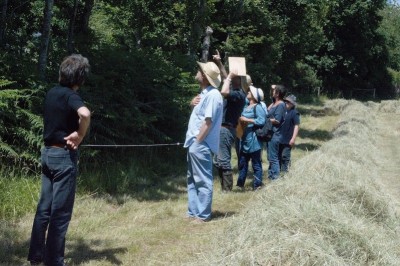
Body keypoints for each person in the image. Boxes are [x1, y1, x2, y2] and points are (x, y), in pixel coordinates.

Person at [28, 54, 91, 266]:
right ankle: (53, 261)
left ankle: (36, 255)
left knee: (44, 208)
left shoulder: (52, 93)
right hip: (64, 157)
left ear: (61, 73)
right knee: (60, 213)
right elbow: (85, 113)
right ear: (80, 80)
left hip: (46, 155)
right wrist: (80, 135)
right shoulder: (70, 95)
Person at [184, 61, 223, 222]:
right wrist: (191, 104)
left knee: (203, 180)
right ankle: (193, 212)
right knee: (192, 179)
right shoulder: (204, 94)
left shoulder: (213, 95)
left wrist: (198, 142)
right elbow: (199, 118)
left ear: (206, 77)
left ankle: (203, 215)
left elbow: (208, 122)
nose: (197, 72)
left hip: (201, 144)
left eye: (200, 71)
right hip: (194, 143)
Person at [212, 50, 246, 192]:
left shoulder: (239, 94)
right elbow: (226, 78)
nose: (230, 79)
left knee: (224, 160)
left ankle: (227, 190)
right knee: (219, 160)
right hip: (224, 128)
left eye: (233, 78)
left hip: (227, 129)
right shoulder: (235, 89)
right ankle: (224, 188)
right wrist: (219, 63)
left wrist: (229, 77)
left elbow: (224, 92)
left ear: (238, 80)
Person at [236, 86, 266, 190]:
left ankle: (257, 185)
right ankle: (240, 185)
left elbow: (262, 121)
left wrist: (248, 120)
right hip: (244, 139)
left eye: (250, 91)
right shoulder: (247, 106)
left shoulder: (257, 107)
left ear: (253, 96)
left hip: (254, 140)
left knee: (256, 164)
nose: (248, 92)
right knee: (243, 163)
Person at [266, 84, 286, 180]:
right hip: (270, 134)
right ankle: (271, 177)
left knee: (273, 158)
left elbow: (277, 120)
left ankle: (275, 180)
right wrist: (273, 87)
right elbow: (268, 110)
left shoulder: (281, 105)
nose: (272, 92)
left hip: (275, 134)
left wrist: (266, 120)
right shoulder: (274, 103)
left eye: (274, 91)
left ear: (277, 94)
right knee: (271, 157)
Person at [279, 94, 300, 173]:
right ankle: (278, 173)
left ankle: (285, 173)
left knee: (285, 156)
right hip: (279, 137)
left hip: (288, 139)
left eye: (288, 102)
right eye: (286, 101)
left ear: (292, 104)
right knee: (278, 156)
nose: (286, 102)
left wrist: (293, 138)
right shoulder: (282, 111)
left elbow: (296, 126)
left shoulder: (294, 113)